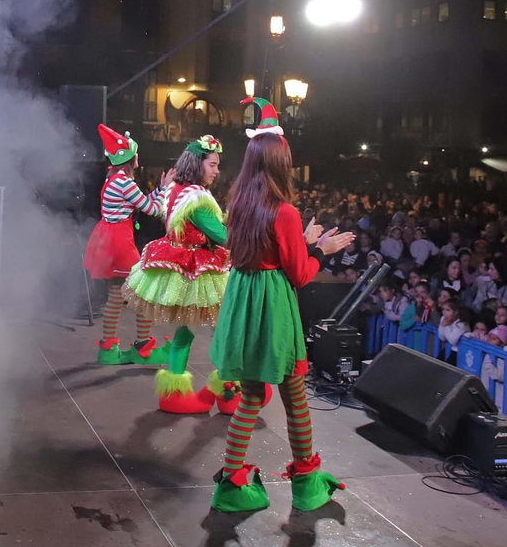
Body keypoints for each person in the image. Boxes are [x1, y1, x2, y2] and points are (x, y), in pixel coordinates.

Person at [209, 103, 354, 514]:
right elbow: (300, 274)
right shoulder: (285, 211)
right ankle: (301, 483)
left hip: (244, 298)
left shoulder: (239, 204)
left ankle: (238, 481)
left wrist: (303, 241)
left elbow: (265, 251)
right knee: (282, 392)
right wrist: (321, 251)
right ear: (281, 163)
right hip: (273, 307)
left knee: (267, 391)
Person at [124, 135, 233, 413]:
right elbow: (223, 237)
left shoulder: (177, 189)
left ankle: (173, 392)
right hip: (197, 268)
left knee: (186, 331)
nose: (217, 170)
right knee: (224, 328)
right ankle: (230, 388)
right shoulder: (197, 199)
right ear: (198, 164)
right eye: (213, 164)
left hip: (182, 262)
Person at [82, 124, 166, 366]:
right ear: (131, 158)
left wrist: (160, 189)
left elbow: (141, 202)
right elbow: (151, 208)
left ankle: (109, 348)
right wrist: (166, 189)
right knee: (142, 293)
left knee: (116, 296)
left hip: (112, 238)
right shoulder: (124, 182)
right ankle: (143, 347)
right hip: (119, 241)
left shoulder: (116, 179)